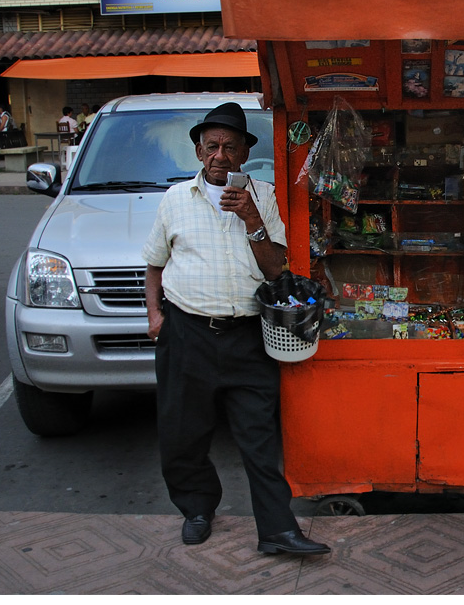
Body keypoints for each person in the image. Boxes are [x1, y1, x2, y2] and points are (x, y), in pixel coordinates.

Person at [141, 102, 330, 557]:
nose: (220, 155)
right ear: (198, 152)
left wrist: (252, 220)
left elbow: (274, 270)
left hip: (247, 336)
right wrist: (155, 316)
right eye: (211, 146)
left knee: (259, 437)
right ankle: (196, 509)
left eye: (230, 146)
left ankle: (277, 530)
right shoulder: (174, 200)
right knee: (184, 432)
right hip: (187, 333)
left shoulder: (262, 196)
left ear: (245, 153)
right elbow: (152, 265)